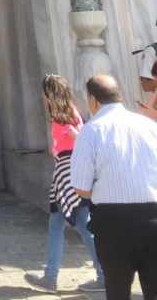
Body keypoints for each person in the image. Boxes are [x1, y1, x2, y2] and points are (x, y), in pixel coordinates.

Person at [71, 74, 157, 300]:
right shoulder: (149, 126)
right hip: (154, 218)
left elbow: (80, 187)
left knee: (118, 289)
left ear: (92, 99)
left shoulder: (91, 131)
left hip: (114, 222)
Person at [23, 75, 104, 294]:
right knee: (60, 224)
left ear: (49, 93)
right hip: (68, 168)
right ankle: (52, 277)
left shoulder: (63, 117)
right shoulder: (72, 111)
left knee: (82, 224)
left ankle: (101, 275)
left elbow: (80, 138)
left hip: (68, 170)